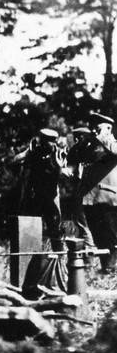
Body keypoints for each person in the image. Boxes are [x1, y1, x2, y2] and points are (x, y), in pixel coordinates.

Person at [68, 112, 117, 273]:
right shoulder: (90, 145)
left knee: (110, 233)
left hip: (108, 197)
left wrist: (103, 136)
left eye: (98, 127)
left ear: (108, 128)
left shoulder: (111, 143)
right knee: (98, 234)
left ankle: (110, 267)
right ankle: (106, 267)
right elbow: (74, 158)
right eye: (93, 127)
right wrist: (83, 141)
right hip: (90, 198)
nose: (94, 131)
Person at [10, 128, 67, 250]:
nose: (49, 144)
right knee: (30, 226)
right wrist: (28, 152)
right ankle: (30, 253)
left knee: (55, 228)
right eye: (46, 141)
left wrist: (58, 165)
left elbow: (64, 175)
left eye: (52, 141)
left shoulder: (59, 154)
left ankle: (59, 256)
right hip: (35, 195)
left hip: (51, 196)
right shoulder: (34, 151)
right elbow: (14, 161)